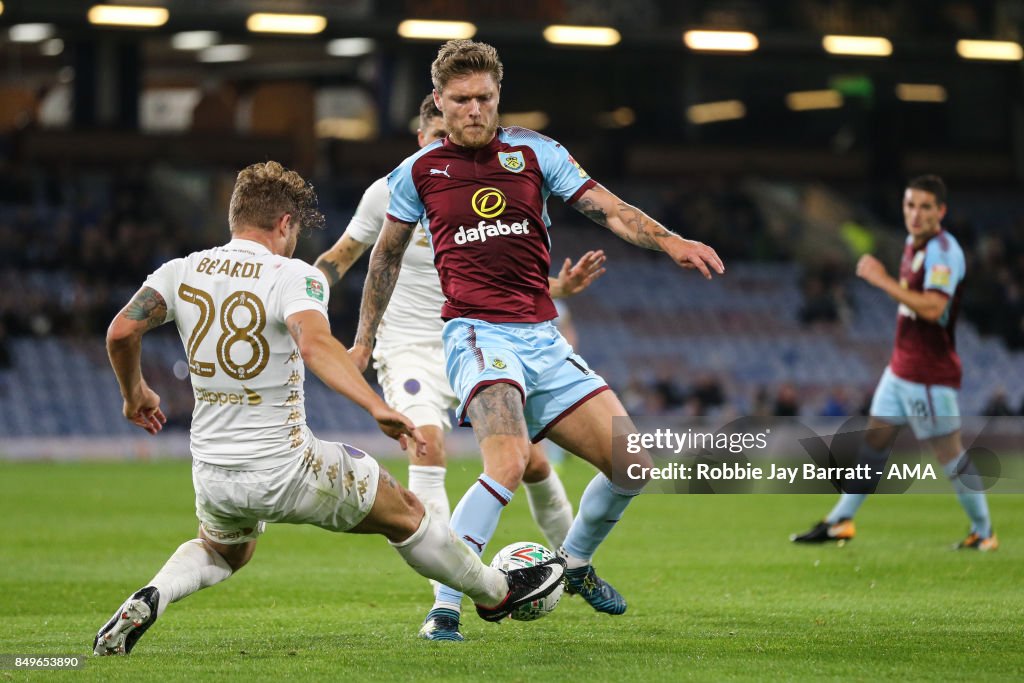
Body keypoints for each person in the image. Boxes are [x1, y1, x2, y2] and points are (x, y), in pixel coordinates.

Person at [92, 161, 565, 656]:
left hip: (214, 472)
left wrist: (135, 394)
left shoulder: (181, 270)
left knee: (225, 550)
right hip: (287, 467)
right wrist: (374, 405)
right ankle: (495, 593)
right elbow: (316, 346)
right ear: (285, 225)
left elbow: (121, 331)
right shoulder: (292, 274)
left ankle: (155, 594)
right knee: (406, 513)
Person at [352, 40, 724, 640]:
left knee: (633, 462)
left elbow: (613, 210)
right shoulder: (417, 173)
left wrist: (673, 241)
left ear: (498, 96)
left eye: (485, 99)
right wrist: (363, 341)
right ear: (440, 103)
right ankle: (445, 606)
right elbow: (384, 260)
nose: (474, 110)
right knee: (509, 461)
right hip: (476, 333)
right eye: (461, 100)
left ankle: (572, 563)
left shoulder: (535, 152)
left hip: (542, 337)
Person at [314, 95, 603, 641]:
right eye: (425, 140)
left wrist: (562, 288)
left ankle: (576, 568)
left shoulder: (475, 186)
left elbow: (500, 272)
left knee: (533, 463)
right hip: (409, 348)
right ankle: (445, 601)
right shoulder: (393, 189)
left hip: (477, 337)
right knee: (428, 444)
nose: (432, 149)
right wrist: (298, 289)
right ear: (421, 136)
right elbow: (342, 256)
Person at [792, 175, 997, 551]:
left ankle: (983, 532)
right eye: (910, 205)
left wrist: (883, 281)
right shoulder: (912, 245)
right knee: (873, 441)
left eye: (924, 207)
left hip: (928, 375)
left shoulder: (943, 251)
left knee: (948, 452)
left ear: (941, 211)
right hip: (901, 368)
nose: (915, 214)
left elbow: (934, 309)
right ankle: (840, 520)